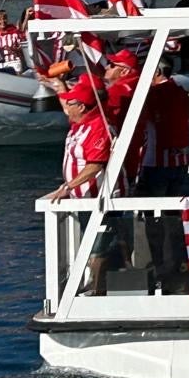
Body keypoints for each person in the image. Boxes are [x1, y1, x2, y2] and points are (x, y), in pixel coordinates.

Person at [46, 75, 123, 295]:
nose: (65, 106)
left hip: (97, 197)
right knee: (92, 245)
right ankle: (95, 286)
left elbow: (95, 164)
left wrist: (68, 186)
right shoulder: (80, 122)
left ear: (81, 106)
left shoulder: (98, 126)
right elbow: (66, 108)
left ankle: (97, 292)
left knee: (99, 247)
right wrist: (59, 87)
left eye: (70, 103)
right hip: (83, 199)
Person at [137, 56, 189, 293]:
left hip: (156, 163)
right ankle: (176, 262)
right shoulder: (181, 93)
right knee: (173, 215)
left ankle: (158, 264)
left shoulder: (154, 96)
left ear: (156, 72)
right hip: (178, 162)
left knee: (150, 217)